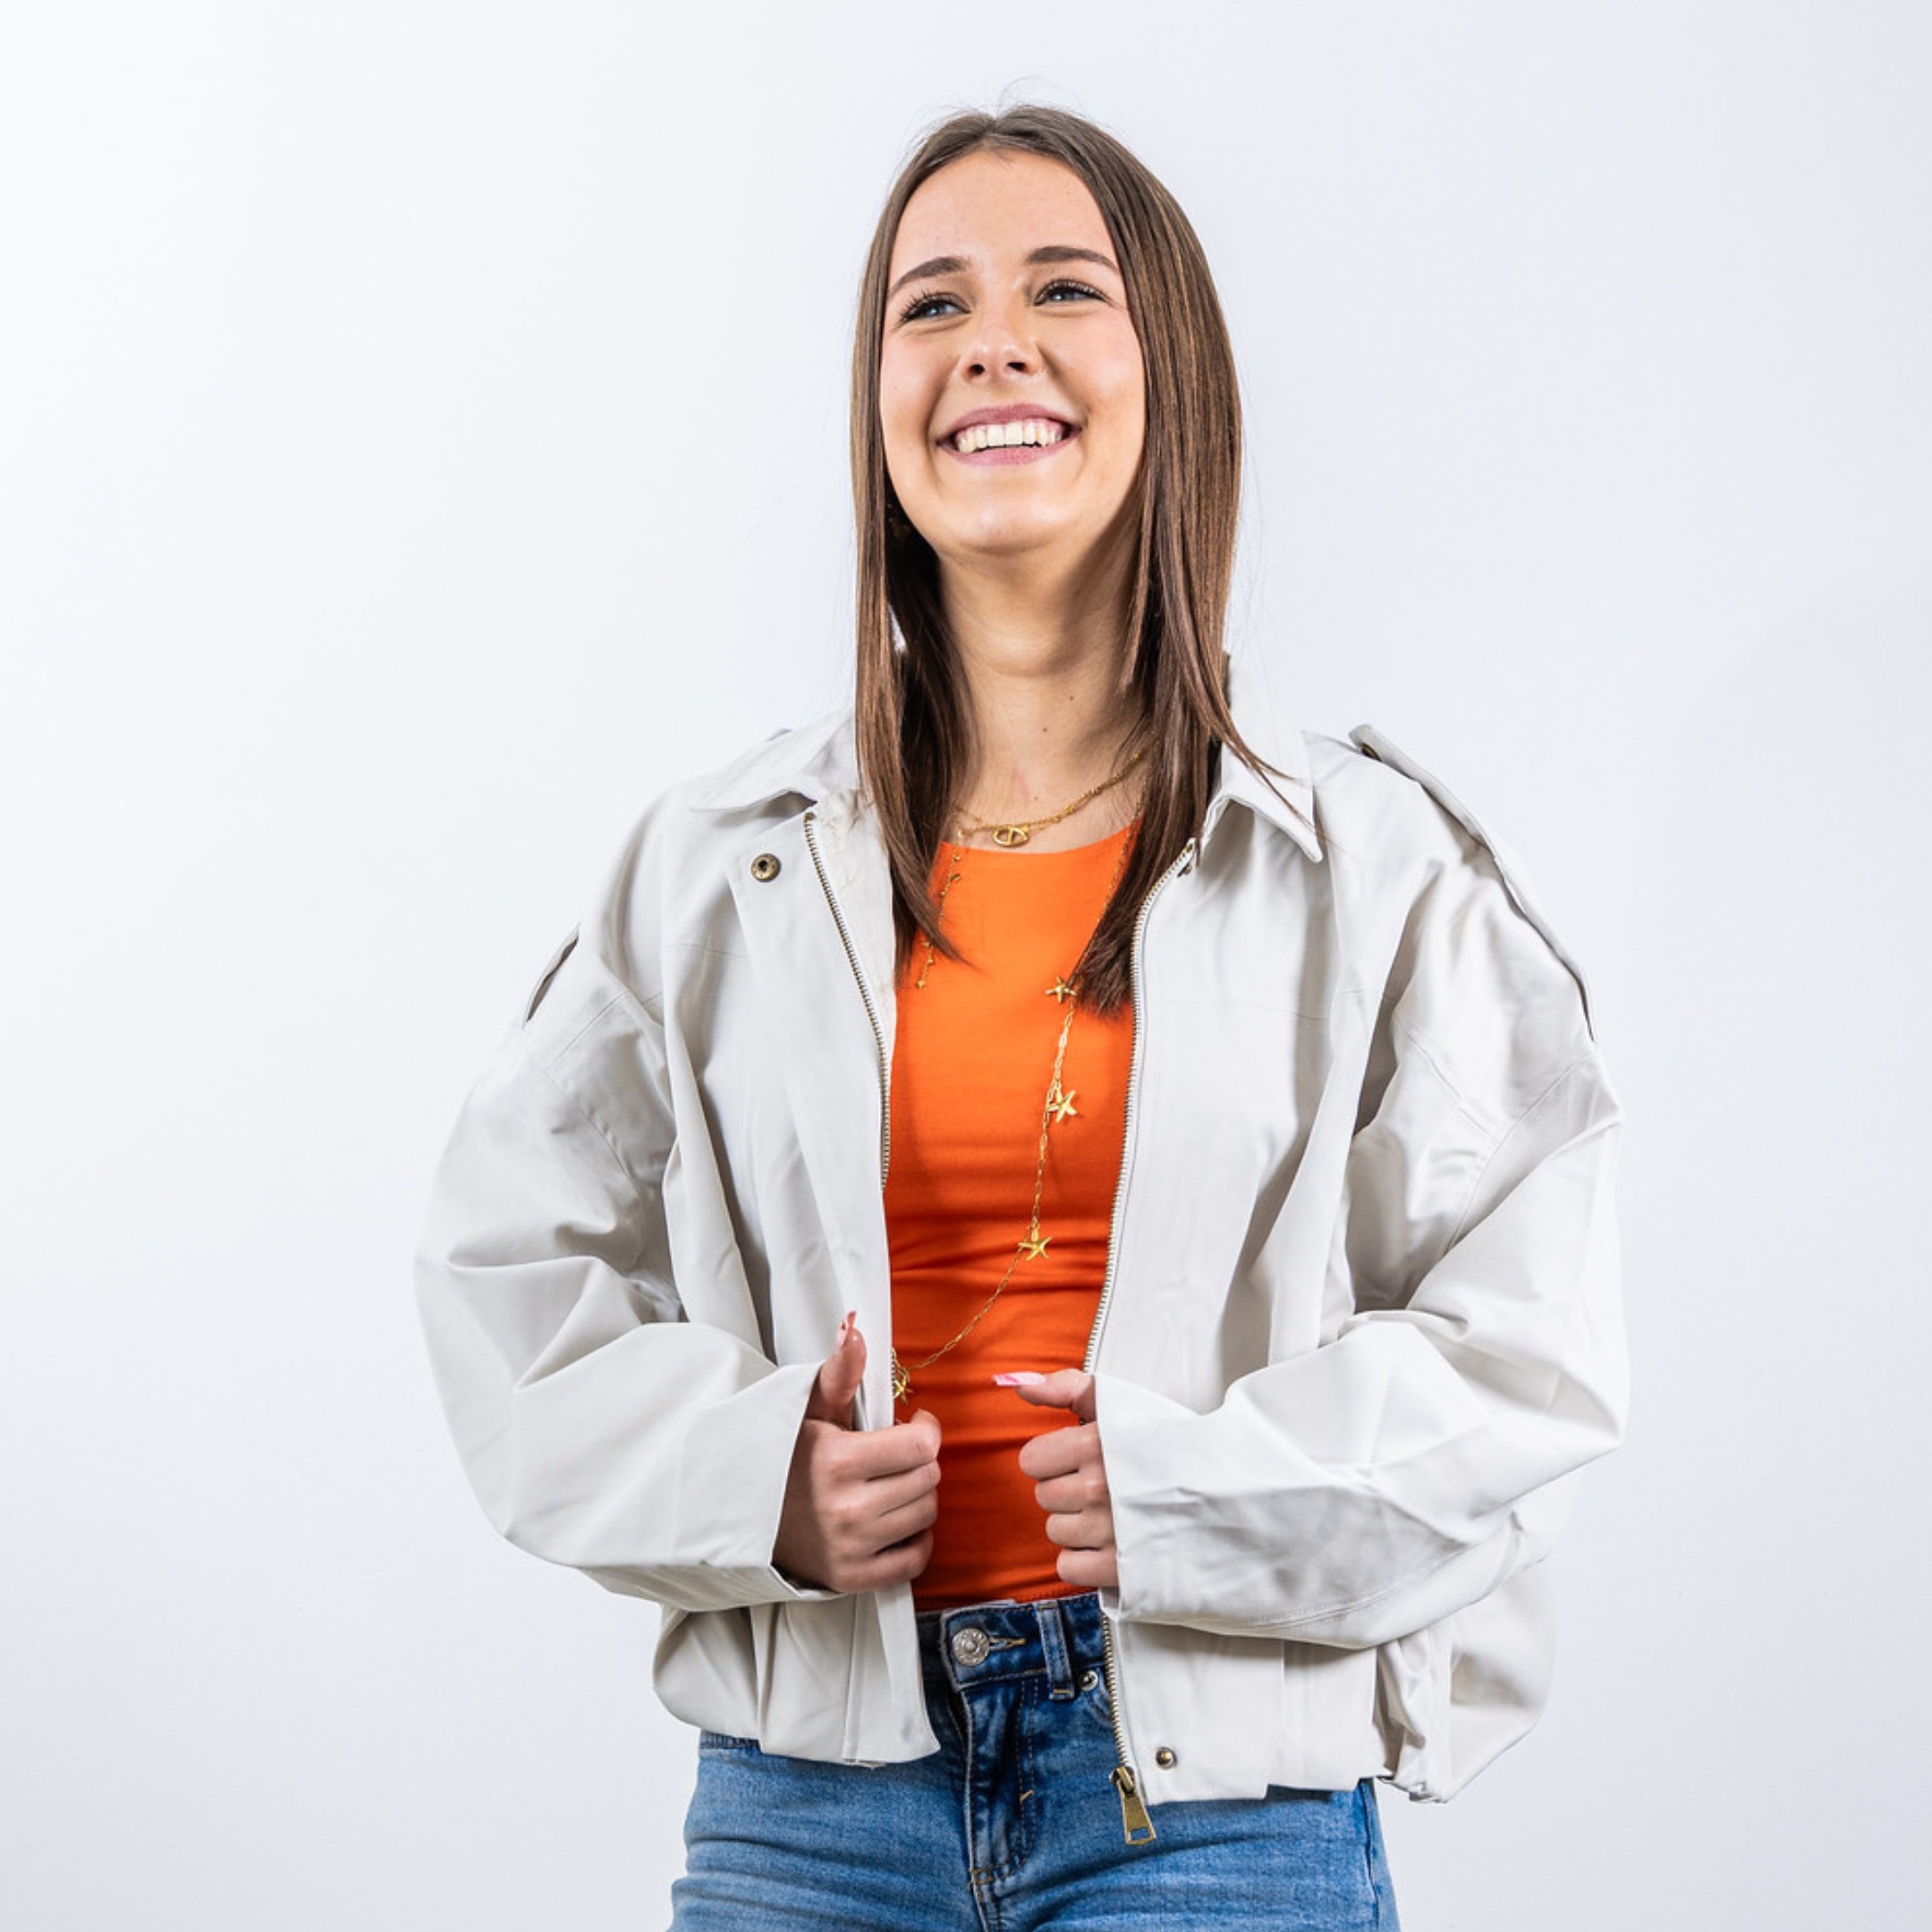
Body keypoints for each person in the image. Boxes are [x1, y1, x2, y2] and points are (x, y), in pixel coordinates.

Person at [414, 103, 1626, 1931]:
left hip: (1218, 1818)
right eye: (932, 306)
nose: (993, 342)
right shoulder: (713, 870)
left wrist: (1194, 1502)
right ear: (878, 396)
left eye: (1065, 289)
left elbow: (1532, 1351)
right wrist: (761, 1484)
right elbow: (501, 1275)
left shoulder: (1378, 866)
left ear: (1175, 378)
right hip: (809, 1814)